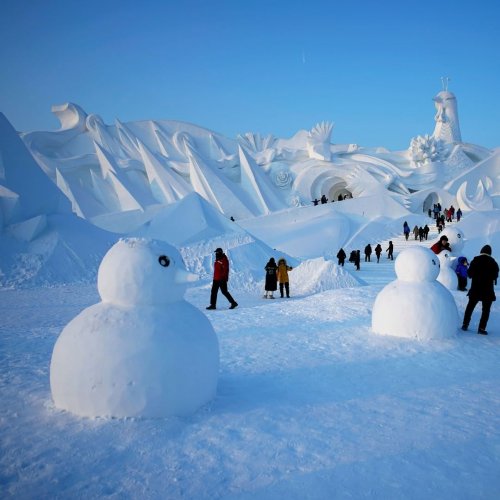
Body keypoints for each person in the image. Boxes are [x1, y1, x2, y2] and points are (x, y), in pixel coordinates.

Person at [461, 245, 499, 335]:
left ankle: (465, 325)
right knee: (486, 311)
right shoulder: (493, 262)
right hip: (488, 290)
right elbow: (495, 276)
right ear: (490, 253)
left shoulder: (475, 260)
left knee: (470, 307)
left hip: (476, 289)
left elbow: (469, 274)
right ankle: (481, 328)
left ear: (481, 251)